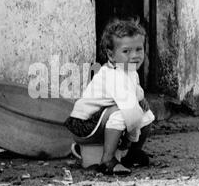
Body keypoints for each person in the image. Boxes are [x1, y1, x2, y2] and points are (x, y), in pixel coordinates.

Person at [64, 18, 154, 175]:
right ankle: (107, 160)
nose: (134, 56)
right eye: (126, 51)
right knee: (123, 114)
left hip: (100, 119)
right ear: (111, 55)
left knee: (147, 114)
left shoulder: (129, 70)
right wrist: (127, 141)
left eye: (139, 49)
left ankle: (132, 153)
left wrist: (141, 100)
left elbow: (136, 90)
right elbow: (131, 114)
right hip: (84, 124)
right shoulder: (114, 76)